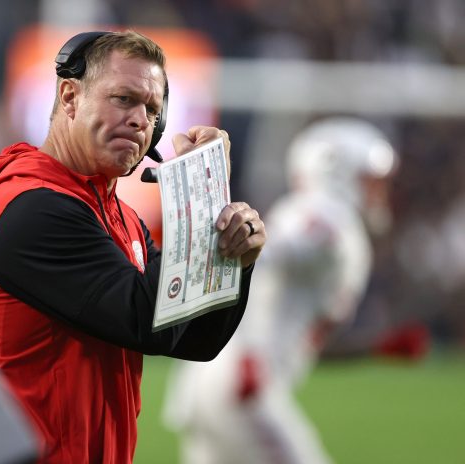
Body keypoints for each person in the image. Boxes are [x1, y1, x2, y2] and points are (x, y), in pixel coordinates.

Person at [0, 30, 267, 463]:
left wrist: (234, 256)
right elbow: (146, 321)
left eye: (152, 109)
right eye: (123, 98)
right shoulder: (28, 209)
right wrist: (196, 198)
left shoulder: (120, 218)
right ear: (69, 97)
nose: (141, 119)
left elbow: (194, 339)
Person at [162, 117, 399, 464]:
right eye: (371, 180)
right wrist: (248, 354)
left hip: (222, 381)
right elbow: (257, 261)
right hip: (241, 384)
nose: (379, 192)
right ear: (341, 172)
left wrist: (373, 349)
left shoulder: (322, 219)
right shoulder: (328, 219)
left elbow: (296, 340)